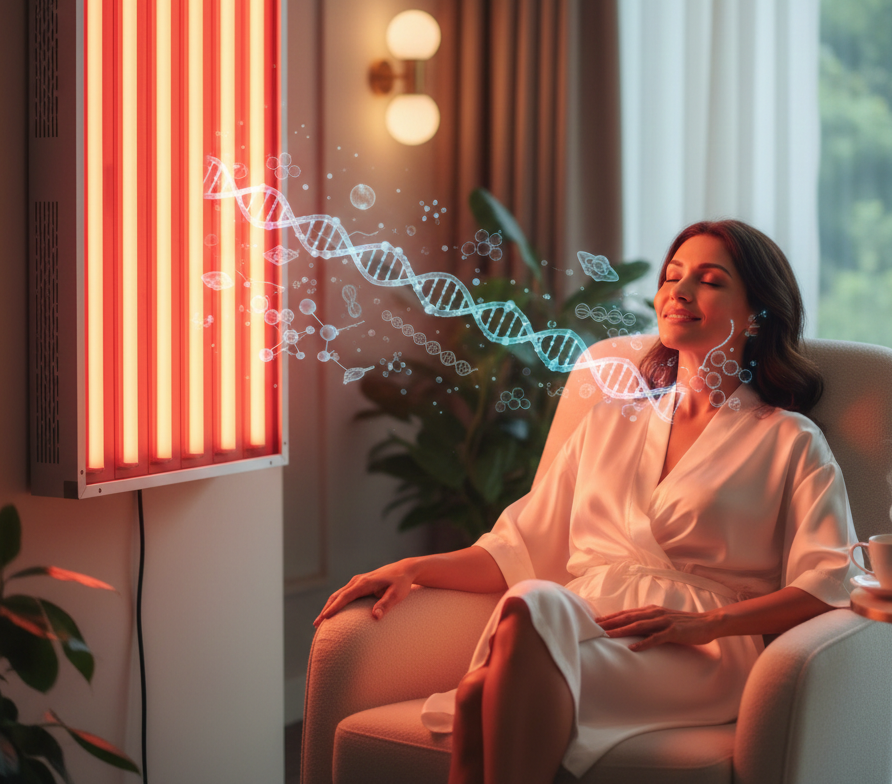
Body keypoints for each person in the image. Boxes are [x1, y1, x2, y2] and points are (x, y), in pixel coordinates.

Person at [317, 220, 857, 784]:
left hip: (697, 649)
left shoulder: (788, 440)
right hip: (581, 620)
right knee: (529, 603)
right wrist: (409, 568)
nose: (679, 290)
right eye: (673, 276)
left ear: (756, 313)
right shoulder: (610, 420)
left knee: (485, 686)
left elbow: (826, 584)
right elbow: (516, 549)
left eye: (709, 280)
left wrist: (711, 623)